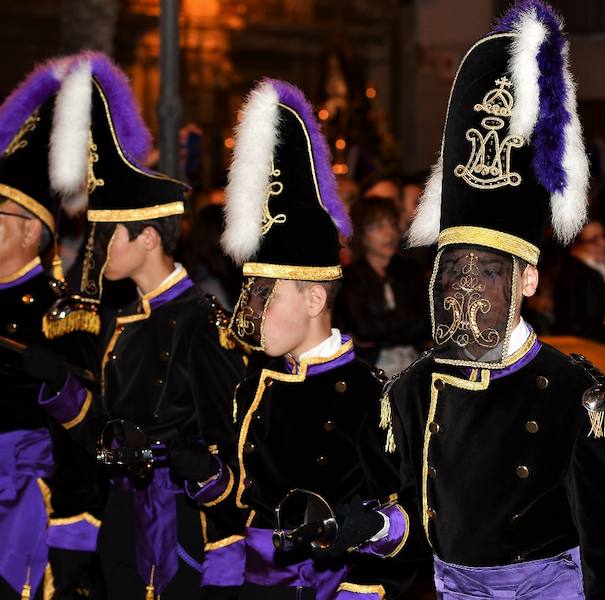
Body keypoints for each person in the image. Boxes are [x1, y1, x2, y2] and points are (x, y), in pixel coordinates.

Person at [381, 1, 605, 597]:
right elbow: (410, 524)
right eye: (454, 273)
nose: (465, 292)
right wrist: (369, 525)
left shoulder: (582, 395)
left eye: (487, 273)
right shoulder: (412, 390)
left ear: (527, 280)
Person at [27, 52, 247, 599]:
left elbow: (231, 455)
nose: (97, 252)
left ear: (148, 238)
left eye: (108, 237)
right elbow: (103, 431)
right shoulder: (119, 321)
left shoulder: (202, 323)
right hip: (123, 522)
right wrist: (60, 390)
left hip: (180, 535)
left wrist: (221, 563)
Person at [209, 78, 419, 598]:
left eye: (266, 297)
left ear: (313, 301)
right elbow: (238, 503)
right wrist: (203, 478)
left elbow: (407, 525)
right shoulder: (251, 387)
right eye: (250, 295)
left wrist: (368, 529)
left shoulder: (375, 396)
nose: (251, 313)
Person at [0, 56, 107, 600]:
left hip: (25, 504)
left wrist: (56, 385)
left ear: (32, 232)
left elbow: (86, 432)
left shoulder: (63, 313)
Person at [336, 197, 429, 375]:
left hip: (415, 363)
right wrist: (407, 317)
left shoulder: (412, 271)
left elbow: (425, 323)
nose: (389, 233)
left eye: (392, 225)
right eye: (379, 227)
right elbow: (363, 329)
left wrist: (381, 335)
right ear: (362, 234)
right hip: (369, 367)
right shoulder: (351, 278)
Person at [553, 215, 605, 342]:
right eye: (594, 240)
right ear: (577, 245)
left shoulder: (600, 268)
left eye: (604, 236)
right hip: (589, 349)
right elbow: (586, 325)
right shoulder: (579, 274)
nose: (604, 243)